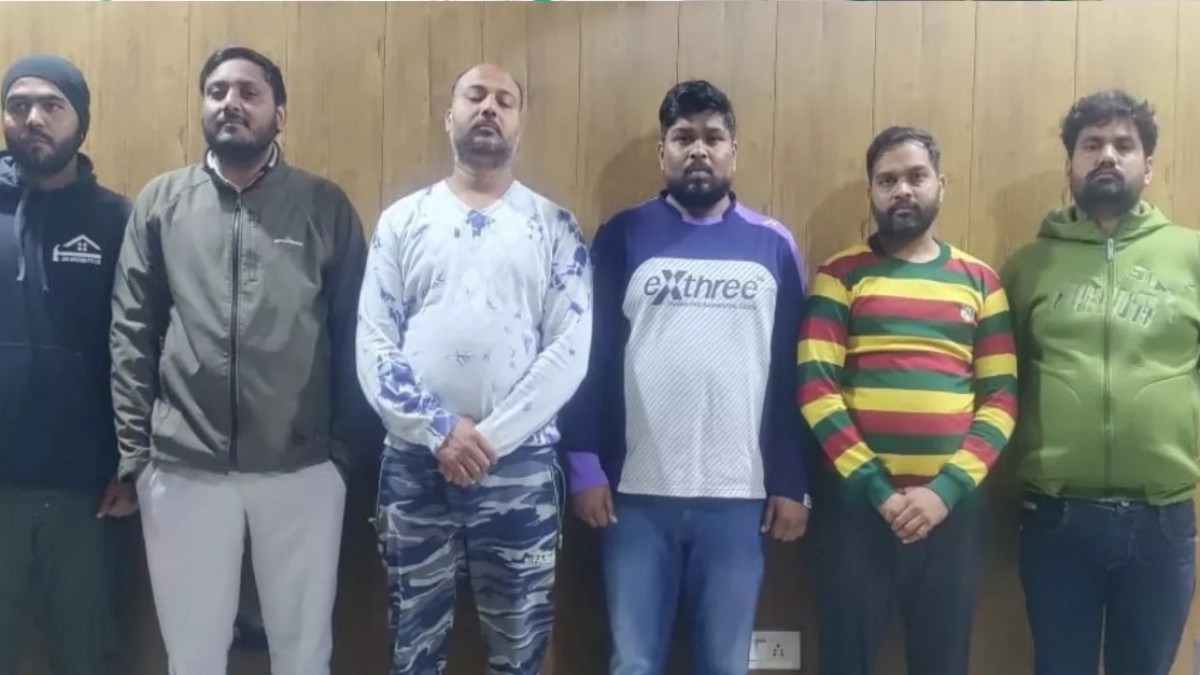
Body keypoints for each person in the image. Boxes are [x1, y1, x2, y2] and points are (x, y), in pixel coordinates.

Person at [110, 46, 379, 675]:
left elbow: (356, 334)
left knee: (302, 652)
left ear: (279, 114)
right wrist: (137, 456)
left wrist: (344, 457)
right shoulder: (162, 202)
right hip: (183, 467)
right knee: (194, 655)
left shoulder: (322, 204)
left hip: (303, 467)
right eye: (217, 91)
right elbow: (131, 331)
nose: (230, 103)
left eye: (249, 92)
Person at [559, 80, 811, 675]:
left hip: (739, 497)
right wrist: (584, 465)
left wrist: (792, 479)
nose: (699, 149)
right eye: (683, 137)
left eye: (713, 137)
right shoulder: (623, 234)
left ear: (733, 152)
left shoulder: (773, 245)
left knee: (725, 663)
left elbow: (793, 371)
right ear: (663, 152)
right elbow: (588, 355)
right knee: (634, 662)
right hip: (634, 496)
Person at [356, 62, 592, 675]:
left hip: (520, 469)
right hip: (416, 466)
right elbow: (374, 344)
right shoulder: (402, 221)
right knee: (413, 650)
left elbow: (569, 350)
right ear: (449, 116)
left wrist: (487, 439)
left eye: (504, 100)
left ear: (519, 123)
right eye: (475, 96)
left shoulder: (555, 228)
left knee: (520, 651)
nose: (489, 108)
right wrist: (439, 430)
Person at [797, 126, 1017, 675]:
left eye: (917, 177)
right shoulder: (839, 275)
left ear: (941, 185)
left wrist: (945, 491)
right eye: (887, 179)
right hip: (856, 512)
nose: (902, 190)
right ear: (870, 192)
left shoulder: (981, 281)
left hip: (953, 514)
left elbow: (1001, 398)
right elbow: (816, 389)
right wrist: (878, 490)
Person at [1001, 89, 1198, 675]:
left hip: (1163, 520)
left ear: (1148, 165)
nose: (1107, 155)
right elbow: (1000, 381)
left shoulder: (1191, 256)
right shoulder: (1027, 266)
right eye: (1092, 144)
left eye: (1123, 145)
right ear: (1071, 164)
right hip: (1057, 517)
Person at [0, 54, 134, 675]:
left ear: (81, 120)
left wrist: (131, 464)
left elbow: (141, 349)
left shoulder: (118, 220)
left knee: (83, 658)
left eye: (52, 105)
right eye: (18, 105)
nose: (33, 118)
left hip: (87, 494)